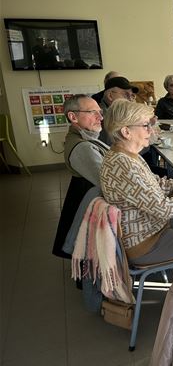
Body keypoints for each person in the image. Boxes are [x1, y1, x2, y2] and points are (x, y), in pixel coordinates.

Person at [100, 100, 173, 266]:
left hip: (154, 228)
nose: (151, 130)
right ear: (126, 132)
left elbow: (160, 186)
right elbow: (164, 208)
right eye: (145, 125)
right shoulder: (124, 166)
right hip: (146, 244)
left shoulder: (125, 155)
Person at [52, 95, 109, 258]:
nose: (100, 117)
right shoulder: (82, 147)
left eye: (100, 112)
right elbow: (109, 184)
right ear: (73, 117)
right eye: (92, 112)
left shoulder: (84, 139)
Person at [98, 76, 139, 145]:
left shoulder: (121, 112)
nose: (130, 99)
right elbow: (114, 145)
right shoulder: (102, 116)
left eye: (132, 95)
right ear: (110, 96)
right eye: (126, 94)